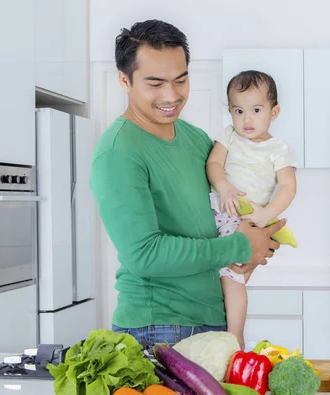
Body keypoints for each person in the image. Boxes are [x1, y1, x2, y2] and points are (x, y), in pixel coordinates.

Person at [89, 19, 286, 348]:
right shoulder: (117, 153)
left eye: (180, 80)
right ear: (125, 80)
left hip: (213, 317)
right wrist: (239, 246)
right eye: (155, 83)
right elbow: (144, 254)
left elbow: (230, 209)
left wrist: (261, 240)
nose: (171, 95)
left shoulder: (195, 139)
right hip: (159, 327)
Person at [206, 70, 298, 349]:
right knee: (223, 273)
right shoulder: (229, 136)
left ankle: (235, 335)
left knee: (234, 277)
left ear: (274, 111)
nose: (247, 119)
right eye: (239, 110)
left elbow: (287, 187)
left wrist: (266, 214)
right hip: (219, 208)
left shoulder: (278, 148)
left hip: (249, 217)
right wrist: (223, 187)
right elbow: (214, 165)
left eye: (256, 110)